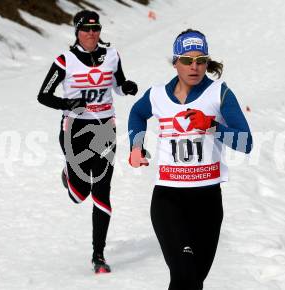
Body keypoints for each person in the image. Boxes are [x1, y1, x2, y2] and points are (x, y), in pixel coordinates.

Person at [127, 29, 253, 289]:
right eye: (186, 60)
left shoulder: (220, 93)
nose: (194, 67)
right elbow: (137, 114)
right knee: (184, 275)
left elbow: (246, 142)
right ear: (175, 62)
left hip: (207, 202)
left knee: (193, 281)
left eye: (201, 60)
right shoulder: (157, 95)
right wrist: (136, 146)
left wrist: (212, 126)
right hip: (168, 200)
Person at [37, 10, 138, 274]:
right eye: (86, 29)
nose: (92, 34)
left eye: (96, 29)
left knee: (102, 188)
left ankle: (99, 255)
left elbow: (118, 83)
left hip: (105, 127)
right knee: (79, 194)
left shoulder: (112, 55)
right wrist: (67, 103)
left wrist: (126, 87)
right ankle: (69, 177)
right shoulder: (65, 60)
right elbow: (43, 95)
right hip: (75, 129)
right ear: (77, 32)